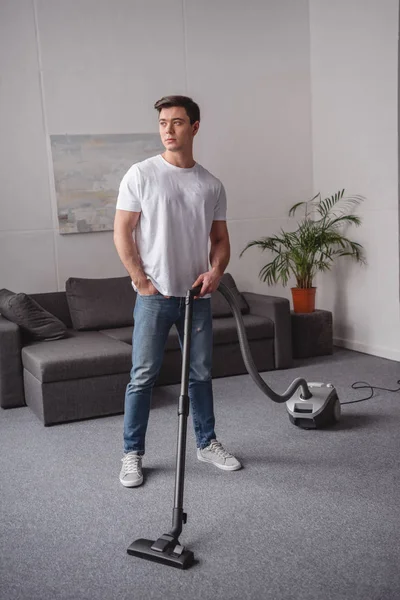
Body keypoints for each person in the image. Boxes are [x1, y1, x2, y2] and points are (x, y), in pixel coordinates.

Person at [113, 95, 242, 488]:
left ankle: (207, 442)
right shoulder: (141, 174)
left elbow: (219, 239)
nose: (168, 130)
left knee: (200, 375)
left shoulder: (211, 184)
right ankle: (132, 454)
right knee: (142, 377)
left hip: (196, 298)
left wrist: (217, 271)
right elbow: (123, 231)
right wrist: (139, 279)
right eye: (163, 123)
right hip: (153, 297)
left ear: (195, 127)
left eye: (178, 123)